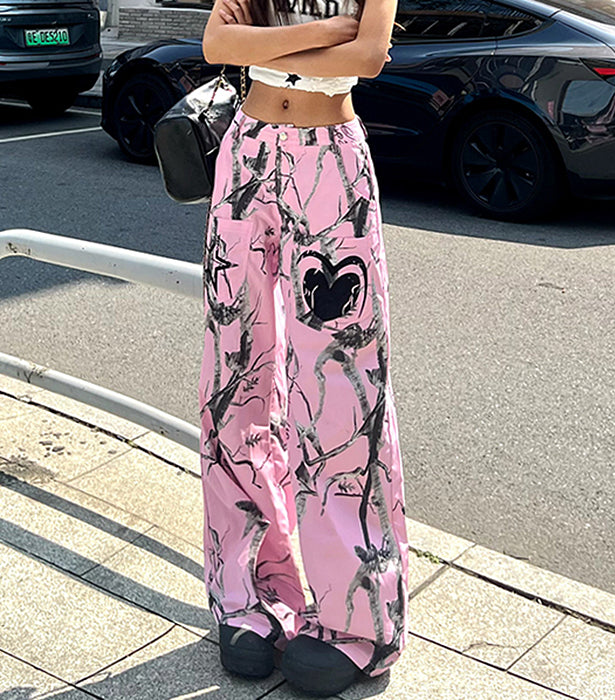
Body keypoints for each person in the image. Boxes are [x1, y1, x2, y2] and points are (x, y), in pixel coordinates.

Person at [198, 0, 408, 695]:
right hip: (247, 154)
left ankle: (360, 620)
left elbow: (368, 55)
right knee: (236, 375)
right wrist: (323, 33)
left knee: (342, 385)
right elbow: (217, 44)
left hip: (331, 162)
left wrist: (262, 44)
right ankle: (251, 591)